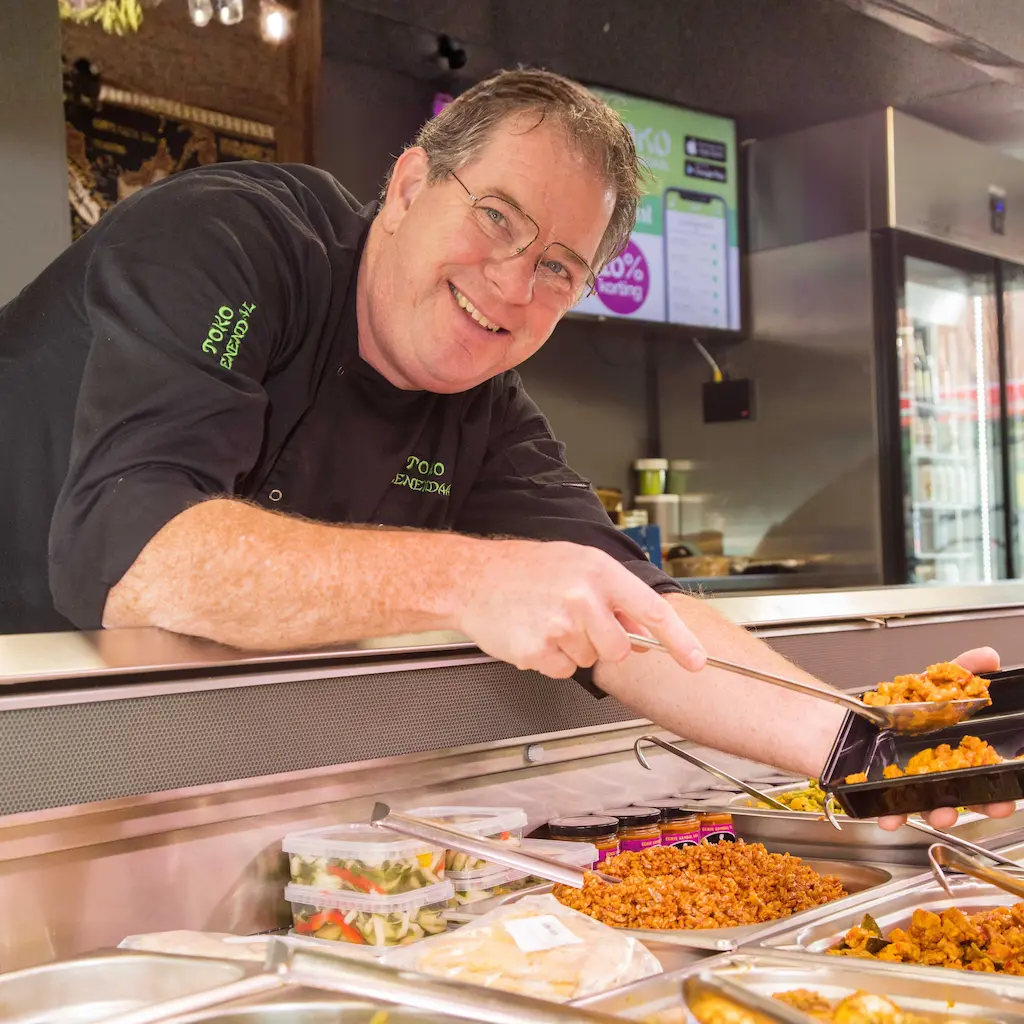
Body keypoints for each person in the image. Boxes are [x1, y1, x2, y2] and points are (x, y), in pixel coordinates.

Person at [0, 69, 1008, 831]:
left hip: (146, 770)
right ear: (406, 186)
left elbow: (638, 621)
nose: (513, 282)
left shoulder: (483, 409)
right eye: (495, 217)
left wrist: (875, 752)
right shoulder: (230, 242)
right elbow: (132, 555)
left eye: (558, 268)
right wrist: (473, 580)